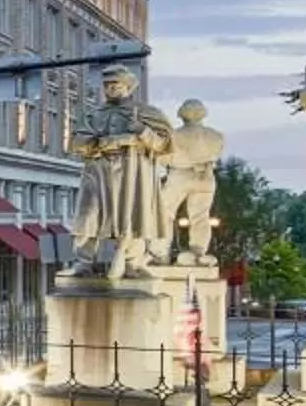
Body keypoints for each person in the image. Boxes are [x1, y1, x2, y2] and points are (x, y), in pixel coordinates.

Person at [67, 67, 170, 278]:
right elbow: (78, 143)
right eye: (107, 85)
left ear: (128, 87)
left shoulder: (147, 113)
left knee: (133, 214)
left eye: (116, 84)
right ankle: (84, 261)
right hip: (99, 171)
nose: (111, 88)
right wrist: (105, 142)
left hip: (134, 173)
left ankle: (132, 262)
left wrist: (142, 131)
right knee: (89, 215)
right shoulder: (92, 114)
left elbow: (164, 144)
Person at [156, 100, 226, 265]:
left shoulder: (173, 136)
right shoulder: (216, 136)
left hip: (180, 174)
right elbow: (217, 154)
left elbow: (163, 160)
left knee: (164, 212)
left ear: (181, 114)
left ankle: (159, 252)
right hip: (206, 176)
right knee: (201, 215)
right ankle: (199, 251)